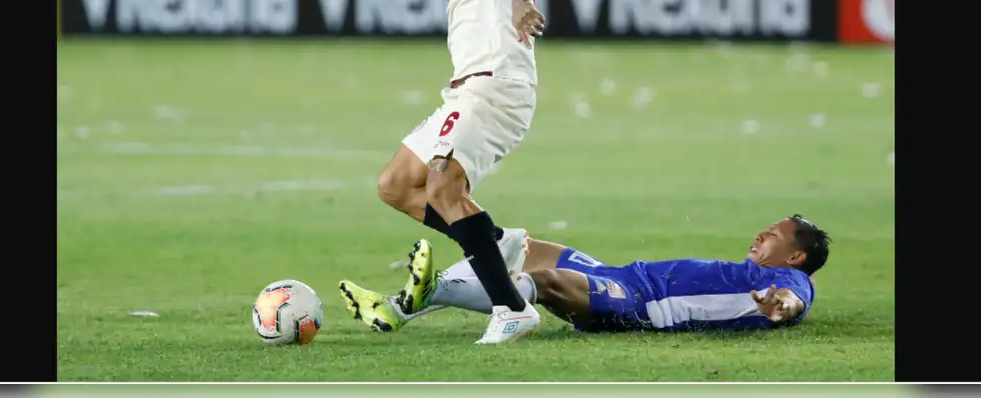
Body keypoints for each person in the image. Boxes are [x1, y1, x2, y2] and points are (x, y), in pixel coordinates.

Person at [365, 0, 559, 344]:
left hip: (495, 86)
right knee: (395, 185)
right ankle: (497, 243)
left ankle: (511, 308)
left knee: (442, 187)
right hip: (465, 90)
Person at [340, 216, 830, 335]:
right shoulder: (750, 271)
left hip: (635, 306)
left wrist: (782, 307)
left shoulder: (792, 284)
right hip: (620, 275)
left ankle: (437, 289)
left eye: (773, 235)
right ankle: (398, 308)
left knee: (549, 281)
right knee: (512, 244)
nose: (761, 234)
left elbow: (792, 302)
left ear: (795, 257)